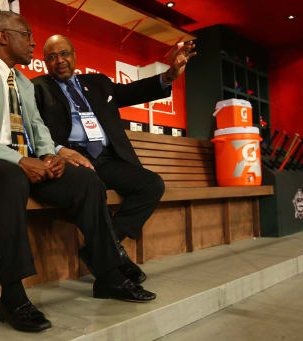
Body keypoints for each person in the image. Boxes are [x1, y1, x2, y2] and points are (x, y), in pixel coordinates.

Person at [0, 11, 156, 333]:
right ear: (4, 37)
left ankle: (109, 275)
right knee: (10, 177)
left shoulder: (24, 83)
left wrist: (50, 155)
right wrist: (18, 160)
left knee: (85, 179)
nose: (33, 43)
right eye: (27, 35)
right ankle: (12, 297)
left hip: (27, 164)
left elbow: (38, 130)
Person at [32, 35, 196, 284]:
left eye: (64, 54)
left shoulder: (97, 83)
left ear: (74, 55)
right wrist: (58, 149)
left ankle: (103, 248)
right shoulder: (38, 88)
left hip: (108, 159)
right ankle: (113, 256)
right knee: (91, 187)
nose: (60, 61)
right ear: (45, 63)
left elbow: (133, 91)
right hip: (73, 159)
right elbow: (33, 129)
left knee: (152, 184)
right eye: (52, 57)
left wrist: (171, 74)